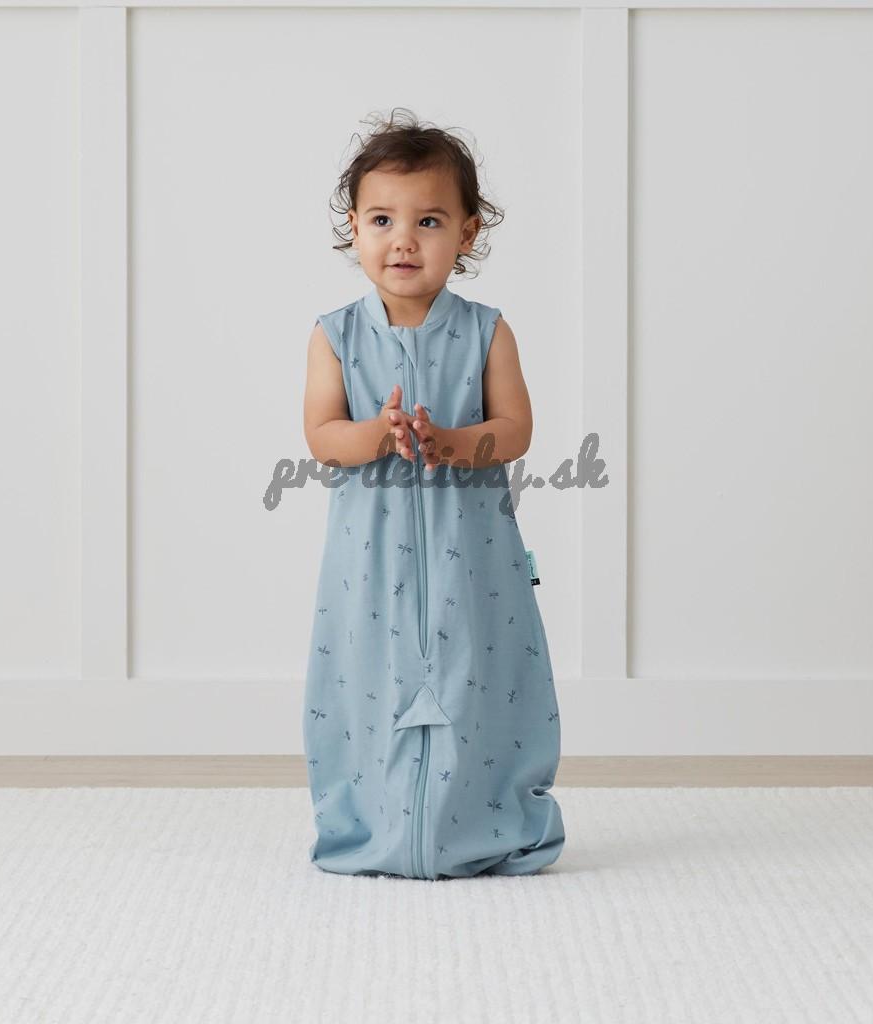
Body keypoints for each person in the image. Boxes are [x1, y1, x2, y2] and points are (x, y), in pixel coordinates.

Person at [301, 108, 565, 880]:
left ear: (467, 233)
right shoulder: (335, 336)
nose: (404, 240)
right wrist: (377, 435)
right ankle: (375, 825)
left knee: (477, 679)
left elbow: (514, 429)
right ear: (354, 229)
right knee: (370, 686)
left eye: (429, 221)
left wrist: (449, 443)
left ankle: (482, 822)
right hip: (370, 564)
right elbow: (322, 435)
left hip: (470, 557)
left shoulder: (487, 331)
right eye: (382, 219)